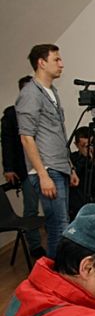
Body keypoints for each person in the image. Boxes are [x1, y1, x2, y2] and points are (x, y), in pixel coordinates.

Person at [17, 44, 79, 258]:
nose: (61, 64)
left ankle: (59, 271)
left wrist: (70, 167)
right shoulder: (30, 94)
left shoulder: (52, 92)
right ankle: (55, 274)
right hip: (48, 170)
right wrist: (43, 175)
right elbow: (26, 138)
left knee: (62, 224)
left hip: (59, 166)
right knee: (58, 227)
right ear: (41, 63)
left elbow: (57, 133)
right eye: (56, 60)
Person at [1, 75, 45, 258]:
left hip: (48, 166)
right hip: (27, 170)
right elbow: (8, 143)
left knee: (54, 208)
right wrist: (9, 168)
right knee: (31, 209)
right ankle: (35, 246)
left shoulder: (43, 111)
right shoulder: (12, 115)